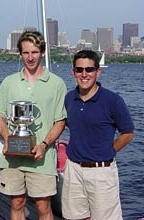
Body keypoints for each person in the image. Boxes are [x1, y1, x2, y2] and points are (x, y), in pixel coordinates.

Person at [0, 30, 67, 219]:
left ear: (42, 52)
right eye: (26, 52)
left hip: (42, 159)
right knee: (17, 203)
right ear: (20, 54)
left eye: (34, 52)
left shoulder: (56, 84)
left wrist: (43, 145)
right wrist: (7, 139)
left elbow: (60, 121)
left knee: (43, 206)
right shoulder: (9, 82)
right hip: (13, 157)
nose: (30, 57)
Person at [61, 50, 134, 220]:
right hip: (73, 170)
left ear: (98, 72)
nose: (84, 74)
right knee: (74, 217)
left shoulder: (113, 100)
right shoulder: (69, 98)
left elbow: (128, 133)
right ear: (73, 72)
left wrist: (108, 151)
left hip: (101, 172)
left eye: (89, 69)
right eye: (79, 70)